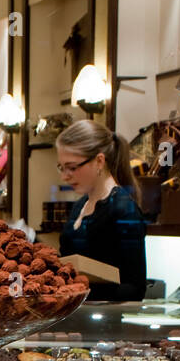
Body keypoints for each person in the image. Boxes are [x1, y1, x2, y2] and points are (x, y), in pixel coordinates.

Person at [55, 119, 147, 301]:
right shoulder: (79, 206)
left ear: (99, 161)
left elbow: (135, 289)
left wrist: (80, 290)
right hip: (74, 319)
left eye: (72, 168)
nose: (65, 176)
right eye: (61, 167)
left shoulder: (124, 210)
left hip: (107, 324)